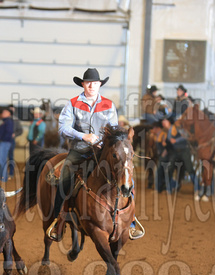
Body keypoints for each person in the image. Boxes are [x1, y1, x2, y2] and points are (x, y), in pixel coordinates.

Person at [46, 68, 144, 241]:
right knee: (65, 177)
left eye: (95, 83)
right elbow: (63, 128)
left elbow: (113, 129)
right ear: (83, 84)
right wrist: (83, 135)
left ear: (99, 85)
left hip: (102, 152)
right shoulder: (73, 103)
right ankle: (57, 220)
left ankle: (132, 220)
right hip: (79, 150)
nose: (91, 85)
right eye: (88, 83)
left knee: (126, 177)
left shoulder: (108, 105)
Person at [0, 107, 15, 182]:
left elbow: (9, 132)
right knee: (2, 160)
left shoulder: (8, 121)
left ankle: (4, 177)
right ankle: (3, 177)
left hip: (5, 142)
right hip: (3, 142)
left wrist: (1, 139)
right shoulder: (5, 121)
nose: (3, 113)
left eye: (5, 112)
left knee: (2, 160)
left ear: (9, 113)